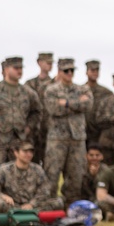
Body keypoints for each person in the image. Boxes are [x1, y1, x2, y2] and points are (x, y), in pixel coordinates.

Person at [43, 58, 93, 205]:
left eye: (72, 70)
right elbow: (53, 109)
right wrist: (77, 103)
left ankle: (71, 206)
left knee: (76, 174)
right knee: (52, 173)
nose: (69, 73)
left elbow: (88, 105)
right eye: (66, 71)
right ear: (59, 72)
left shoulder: (82, 89)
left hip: (77, 138)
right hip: (57, 138)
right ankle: (50, 205)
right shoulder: (51, 90)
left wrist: (66, 103)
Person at [0, 57, 41, 169]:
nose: (19, 71)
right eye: (16, 68)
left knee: (17, 174)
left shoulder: (28, 93)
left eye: (21, 68)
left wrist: (29, 127)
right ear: (7, 69)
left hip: (19, 142)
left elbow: (37, 112)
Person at [0, 141, 63, 213]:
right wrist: (3, 196)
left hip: (32, 205)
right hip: (12, 205)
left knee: (58, 202)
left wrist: (32, 204)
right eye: (25, 151)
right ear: (16, 153)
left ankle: (23, 213)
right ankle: (25, 213)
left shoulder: (38, 170)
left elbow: (44, 192)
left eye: (31, 152)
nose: (29, 154)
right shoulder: (4, 170)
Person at [24, 52, 54, 164]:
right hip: (33, 131)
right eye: (47, 62)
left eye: (51, 63)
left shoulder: (55, 84)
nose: (50, 65)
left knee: (49, 163)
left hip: (49, 130)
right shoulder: (29, 84)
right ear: (39, 63)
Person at [83, 60, 112, 149]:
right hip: (83, 132)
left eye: (97, 71)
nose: (95, 73)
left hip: (100, 133)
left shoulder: (106, 92)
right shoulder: (80, 90)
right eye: (92, 70)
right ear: (86, 72)